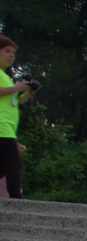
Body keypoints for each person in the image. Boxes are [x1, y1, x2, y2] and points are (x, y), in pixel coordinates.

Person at [0, 35, 40, 200]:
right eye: (7, 51)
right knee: (13, 163)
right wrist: (16, 88)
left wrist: (28, 93)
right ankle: (16, 200)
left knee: (4, 165)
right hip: (1, 126)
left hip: (8, 127)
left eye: (13, 53)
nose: (11, 56)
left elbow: (14, 101)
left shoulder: (6, 77)